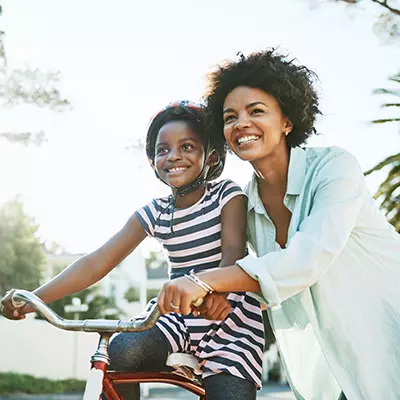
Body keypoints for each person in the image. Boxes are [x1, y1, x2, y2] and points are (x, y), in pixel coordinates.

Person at [155, 51, 400, 400]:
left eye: (256, 111)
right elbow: (257, 279)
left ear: (287, 120)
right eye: (229, 117)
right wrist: (218, 294)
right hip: (342, 361)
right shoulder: (245, 205)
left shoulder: (334, 169)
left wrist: (202, 282)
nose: (241, 123)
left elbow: (305, 261)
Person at [0, 101, 264, 400]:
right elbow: (96, 262)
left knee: (229, 393)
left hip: (229, 321)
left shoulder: (226, 194)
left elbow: (234, 251)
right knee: (121, 351)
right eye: (162, 150)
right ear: (153, 162)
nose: (173, 155)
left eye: (187, 147)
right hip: (177, 318)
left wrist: (219, 293)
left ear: (210, 157)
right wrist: (35, 300)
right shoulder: (155, 213)